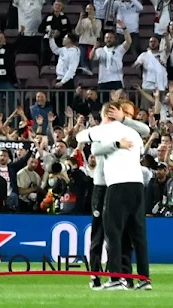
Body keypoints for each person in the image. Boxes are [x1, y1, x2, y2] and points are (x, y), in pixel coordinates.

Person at [82, 101, 152, 290]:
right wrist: (115, 143)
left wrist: (124, 121)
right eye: (124, 113)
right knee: (99, 235)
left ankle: (122, 276)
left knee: (122, 236)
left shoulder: (129, 130)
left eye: (129, 114)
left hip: (118, 184)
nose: (127, 117)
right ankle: (96, 275)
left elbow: (145, 130)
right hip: (103, 185)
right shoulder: (104, 131)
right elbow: (94, 149)